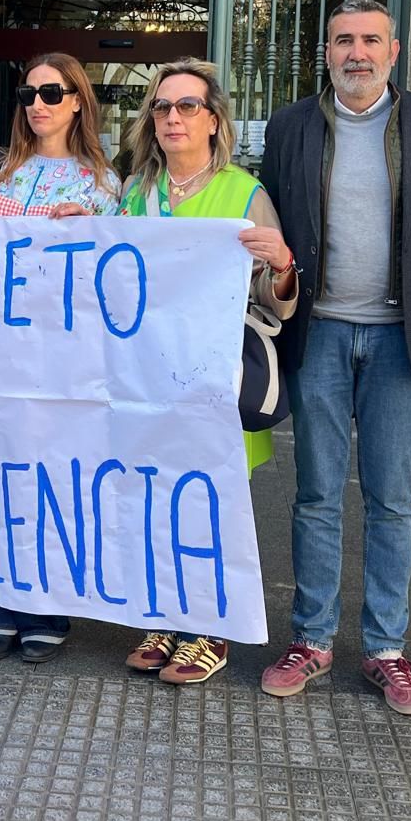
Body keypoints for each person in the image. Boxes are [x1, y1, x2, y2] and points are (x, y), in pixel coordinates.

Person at [255, 0, 411, 710]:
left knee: (393, 497)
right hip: (316, 331)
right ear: (326, 52)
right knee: (315, 493)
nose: (357, 52)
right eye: (343, 40)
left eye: (370, 40)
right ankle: (311, 640)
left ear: (395, 49)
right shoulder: (292, 126)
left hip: (395, 335)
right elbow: (275, 219)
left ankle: (386, 649)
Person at [116, 59, 298, 686]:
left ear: (215, 121)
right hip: (153, 380)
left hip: (217, 380)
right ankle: (167, 616)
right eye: (163, 108)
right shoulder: (136, 193)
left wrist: (281, 264)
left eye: (188, 106)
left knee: (212, 507)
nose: (173, 117)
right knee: (159, 502)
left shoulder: (245, 194)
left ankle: (209, 631)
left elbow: (278, 300)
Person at [0, 52, 121, 662]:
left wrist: (94, 229)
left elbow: (118, 274)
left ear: (78, 100)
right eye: (28, 92)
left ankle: (48, 606)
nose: (37, 104)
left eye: (52, 93)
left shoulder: (103, 184)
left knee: (54, 479)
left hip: (59, 358)